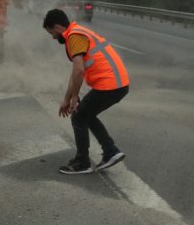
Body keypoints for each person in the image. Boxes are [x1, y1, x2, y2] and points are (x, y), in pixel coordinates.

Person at [43, 9, 130, 175]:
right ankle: (110, 151)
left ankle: (82, 162)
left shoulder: (74, 36)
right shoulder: (78, 32)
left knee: (78, 115)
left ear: (57, 27)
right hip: (118, 84)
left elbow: (79, 71)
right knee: (86, 114)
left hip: (110, 84)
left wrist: (75, 97)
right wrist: (67, 99)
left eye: (51, 32)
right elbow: (75, 73)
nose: (53, 37)